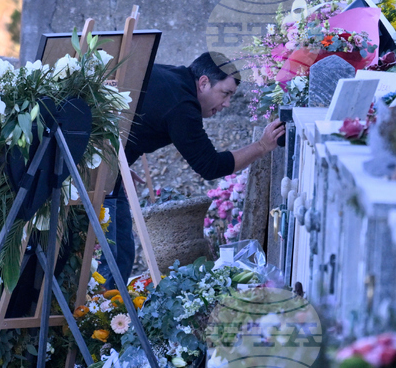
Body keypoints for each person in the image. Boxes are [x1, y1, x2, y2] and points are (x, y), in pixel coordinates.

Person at [98, 52, 285, 279]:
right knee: (113, 258)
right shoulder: (182, 104)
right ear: (204, 82)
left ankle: (105, 299)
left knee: (120, 254)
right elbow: (210, 166)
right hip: (93, 171)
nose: (227, 104)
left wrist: (120, 160)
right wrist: (262, 146)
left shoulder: (175, 78)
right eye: (225, 93)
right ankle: (100, 301)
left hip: (105, 164)